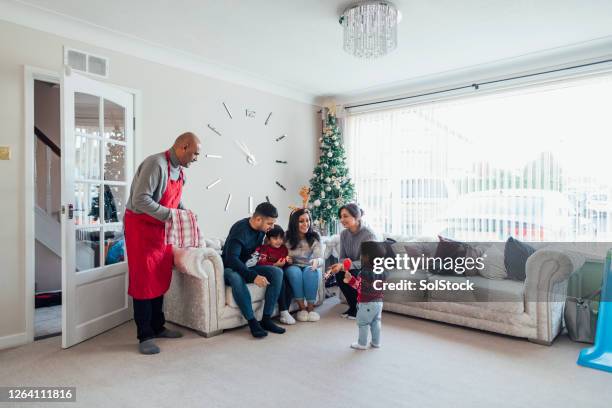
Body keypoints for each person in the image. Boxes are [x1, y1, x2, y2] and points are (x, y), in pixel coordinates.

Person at [124, 132, 201, 355]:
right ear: (184, 147)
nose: (197, 158)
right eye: (195, 153)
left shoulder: (180, 172)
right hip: (141, 229)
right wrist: (172, 215)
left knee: (159, 275)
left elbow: (175, 200)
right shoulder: (155, 164)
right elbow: (140, 200)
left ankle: (158, 326)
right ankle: (144, 335)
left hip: (161, 230)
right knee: (143, 280)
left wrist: (185, 213)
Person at [222, 202, 286, 338]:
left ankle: (266, 319)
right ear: (258, 219)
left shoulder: (261, 231)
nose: (272, 227)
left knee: (277, 272)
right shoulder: (240, 229)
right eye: (269, 223)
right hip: (229, 267)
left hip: (246, 266)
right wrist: (253, 276)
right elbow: (232, 260)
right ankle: (252, 322)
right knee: (235, 277)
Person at [324, 203, 376, 319]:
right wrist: (340, 265)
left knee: (353, 274)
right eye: (341, 217)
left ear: (356, 216)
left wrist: (345, 266)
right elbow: (342, 256)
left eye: (345, 216)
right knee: (339, 274)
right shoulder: (344, 234)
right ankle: (353, 306)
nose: (342, 220)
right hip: (351, 266)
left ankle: (360, 308)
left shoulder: (368, 234)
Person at [344, 241, 388, 350]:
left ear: (366, 257)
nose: (360, 256)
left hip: (367, 303)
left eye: (361, 254)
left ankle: (362, 344)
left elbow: (360, 287)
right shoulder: (383, 271)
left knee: (363, 323)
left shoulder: (364, 273)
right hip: (379, 303)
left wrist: (350, 280)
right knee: (376, 322)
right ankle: (376, 342)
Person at [284, 208, 323, 323]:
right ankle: (302, 308)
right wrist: (286, 259)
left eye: (307, 220)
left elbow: (319, 257)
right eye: (301, 221)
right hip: (293, 265)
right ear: (294, 222)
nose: (306, 224)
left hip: (309, 264)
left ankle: (311, 308)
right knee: (294, 273)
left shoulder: (315, 236)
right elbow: (279, 252)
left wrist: (317, 262)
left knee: (311, 271)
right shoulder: (286, 236)